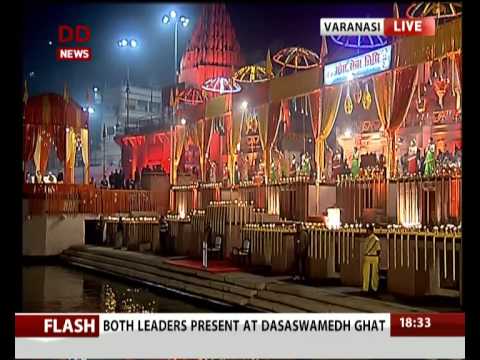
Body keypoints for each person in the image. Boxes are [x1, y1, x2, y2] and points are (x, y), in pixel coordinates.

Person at [362, 225, 381, 293]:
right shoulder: (368, 239)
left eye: (368, 230)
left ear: (371, 231)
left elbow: (378, 250)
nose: (367, 231)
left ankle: (373, 287)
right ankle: (367, 288)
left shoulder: (375, 239)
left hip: (373, 256)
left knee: (374, 273)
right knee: (366, 273)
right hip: (370, 256)